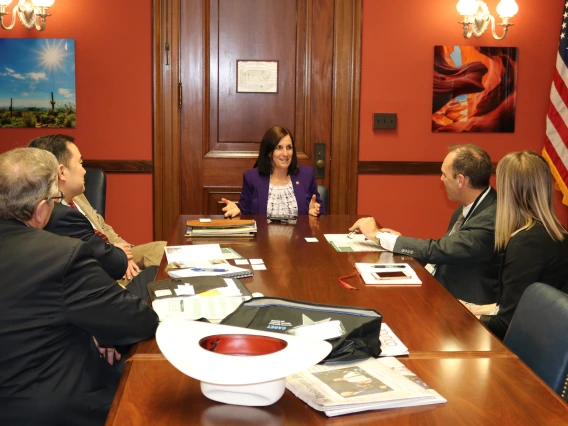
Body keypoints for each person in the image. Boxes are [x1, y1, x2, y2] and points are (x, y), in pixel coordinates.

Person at [0, 148, 159, 426]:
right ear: (40, 211)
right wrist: (103, 329)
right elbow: (139, 321)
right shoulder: (60, 256)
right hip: (51, 408)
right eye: (55, 200)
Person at [349, 144, 500, 305]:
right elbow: (447, 251)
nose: (441, 179)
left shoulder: (491, 216)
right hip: (441, 290)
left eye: (444, 174)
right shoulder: (467, 207)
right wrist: (400, 242)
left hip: (465, 306)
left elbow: (440, 250)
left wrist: (378, 236)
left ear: (461, 180)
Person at [29, 134, 167, 281]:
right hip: (99, 269)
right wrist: (119, 258)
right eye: (80, 163)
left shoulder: (77, 195)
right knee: (159, 274)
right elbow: (88, 257)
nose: (85, 171)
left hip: (112, 252)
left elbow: (103, 227)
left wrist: (126, 254)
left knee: (164, 250)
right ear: (62, 172)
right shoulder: (51, 213)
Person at [479, 151, 568, 340]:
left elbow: (506, 324)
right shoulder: (555, 231)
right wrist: (471, 309)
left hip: (527, 346)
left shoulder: (526, 243)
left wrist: (465, 317)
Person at [221, 126, 326, 217]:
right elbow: (245, 213)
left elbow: (321, 212)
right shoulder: (252, 178)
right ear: (269, 152)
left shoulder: (306, 175)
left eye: (289, 147)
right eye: (279, 148)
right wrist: (238, 212)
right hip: (263, 239)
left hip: (299, 238)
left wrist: (315, 212)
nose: (285, 153)